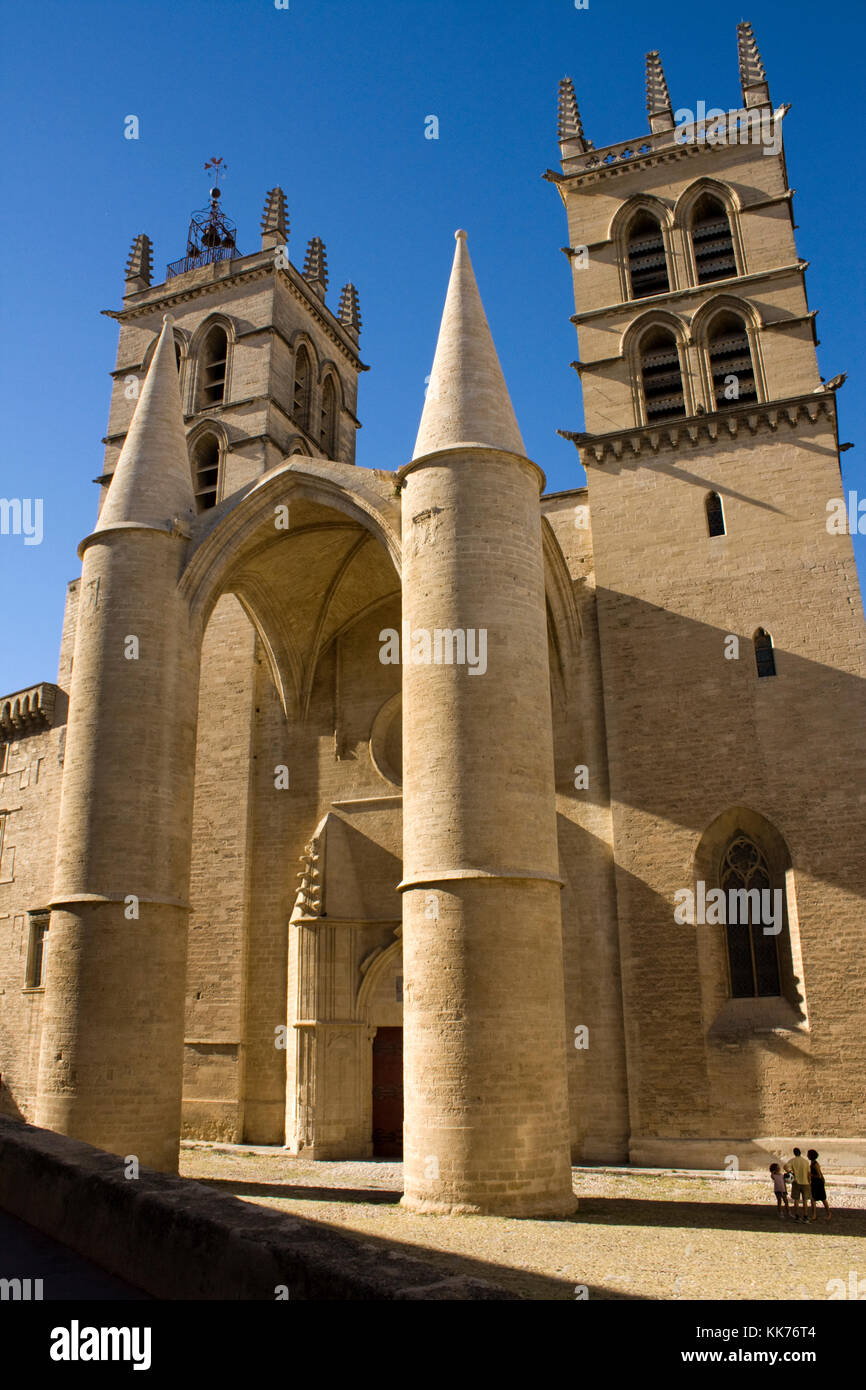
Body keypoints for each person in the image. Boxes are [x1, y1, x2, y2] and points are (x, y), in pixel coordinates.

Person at [807, 1149, 831, 1222]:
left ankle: (828, 1214)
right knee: (813, 1199)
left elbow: (819, 1176)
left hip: (818, 1183)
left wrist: (811, 1175)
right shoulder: (812, 1163)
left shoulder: (815, 1164)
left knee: (823, 1198)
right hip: (814, 1183)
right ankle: (814, 1215)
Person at [788, 1147, 812, 1222]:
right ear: (800, 1153)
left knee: (796, 1200)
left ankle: (797, 1216)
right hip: (805, 1182)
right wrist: (809, 1181)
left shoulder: (792, 1161)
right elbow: (808, 1173)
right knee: (805, 1200)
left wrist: (791, 1173)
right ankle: (805, 1216)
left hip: (796, 1182)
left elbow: (785, 1166)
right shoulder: (805, 1162)